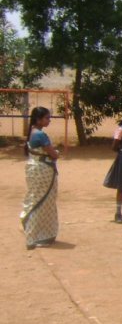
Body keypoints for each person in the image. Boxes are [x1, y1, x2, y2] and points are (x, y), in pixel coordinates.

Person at [21, 107, 60, 250]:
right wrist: (56, 153)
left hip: (34, 168)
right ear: (38, 120)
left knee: (36, 198)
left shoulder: (32, 132)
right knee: (42, 201)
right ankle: (34, 236)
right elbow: (53, 154)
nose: (49, 120)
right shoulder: (40, 135)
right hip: (43, 170)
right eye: (47, 118)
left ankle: (37, 233)